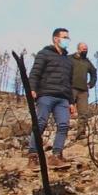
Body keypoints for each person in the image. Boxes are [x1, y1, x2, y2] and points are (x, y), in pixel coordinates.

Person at [27, 28, 75, 170]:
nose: (67, 40)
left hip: (63, 99)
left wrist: (72, 102)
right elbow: (35, 73)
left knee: (63, 125)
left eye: (68, 37)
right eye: (64, 37)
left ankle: (56, 155)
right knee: (40, 123)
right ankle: (33, 156)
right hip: (46, 95)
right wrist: (32, 89)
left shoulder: (68, 61)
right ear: (56, 39)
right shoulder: (44, 54)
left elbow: (69, 82)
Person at [70, 42, 97, 138]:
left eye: (86, 49)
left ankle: (81, 133)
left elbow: (94, 72)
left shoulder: (87, 62)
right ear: (78, 49)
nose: (85, 50)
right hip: (71, 89)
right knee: (65, 110)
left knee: (84, 112)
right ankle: (62, 132)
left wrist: (91, 84)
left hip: (83, 91)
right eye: (83, 49)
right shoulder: (70, 59)